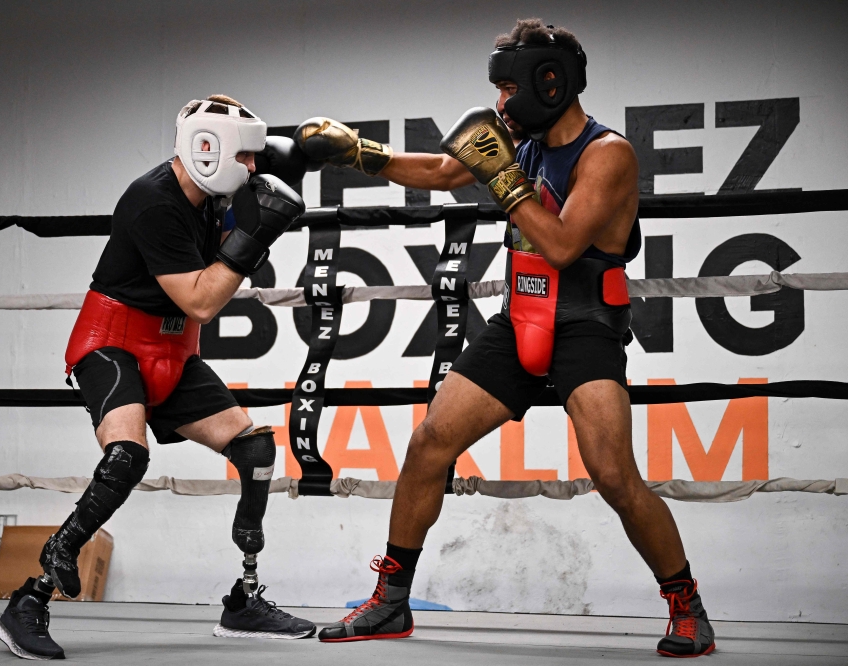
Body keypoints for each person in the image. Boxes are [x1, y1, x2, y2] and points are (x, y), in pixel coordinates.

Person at [294, 19, 715, 658]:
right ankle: (390, 601)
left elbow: (565, 242)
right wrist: (358, 151)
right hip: (520, 315)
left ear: (552, 82)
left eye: (510, 87)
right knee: (429, 442)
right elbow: (440, 172)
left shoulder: (608, 155)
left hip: (585, 325)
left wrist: (503, 180)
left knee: (612, 472)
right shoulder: (523, 144)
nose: (500, 103)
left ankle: (687, 607)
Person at [0, 95, 317, 660]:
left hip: (172, 350)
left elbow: (208, 282)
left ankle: (244, 601)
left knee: (257, 451)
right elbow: (202, 300)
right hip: (112, 342)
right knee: (126, 457)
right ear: (208, 150)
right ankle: (31, 597)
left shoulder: (214, 199)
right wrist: (254, 238)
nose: (253, 169)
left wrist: (249, 230)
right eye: (245, 157)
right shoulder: (152, 201)